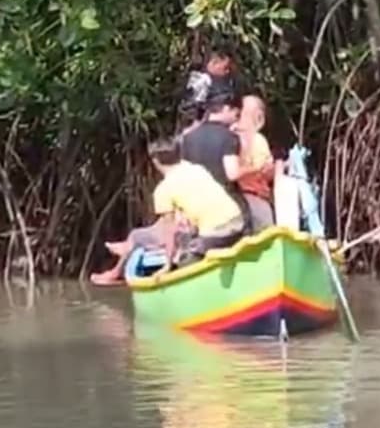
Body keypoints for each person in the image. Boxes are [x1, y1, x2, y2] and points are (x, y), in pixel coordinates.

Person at [90, 137, 246, 284]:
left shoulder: (164, 190)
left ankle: (123, 258)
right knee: (142, 236)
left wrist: (168, 265)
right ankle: (126, 250)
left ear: (155, 161)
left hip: (215, 233)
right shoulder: (197, 169)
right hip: (238, 222)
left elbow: (168, 232)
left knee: (185, 261)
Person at [178, 91, 252, 231]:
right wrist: (255, 167)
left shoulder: (188, 137)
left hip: (194, 201)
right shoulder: (229, 137)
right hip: (226, 201)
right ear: (226, 108)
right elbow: (232, 173)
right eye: (236, 114)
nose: (236, 119)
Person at [234, 94, 275, 229]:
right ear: (259, 119)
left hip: (230, 202)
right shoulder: (257, 140)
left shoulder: (226, 138)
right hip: (254, 198)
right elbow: (264, 171)